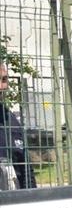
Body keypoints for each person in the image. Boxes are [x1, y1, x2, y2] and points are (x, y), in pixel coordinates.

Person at [0, 62, 36, 190]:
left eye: (4, 79)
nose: (2, 86)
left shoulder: (11, 119)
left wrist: (32, 197)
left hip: (14, 200)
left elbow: (26, 168)